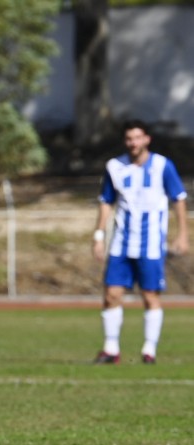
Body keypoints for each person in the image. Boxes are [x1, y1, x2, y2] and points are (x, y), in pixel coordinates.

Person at [92, 120, 188, 365]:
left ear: (147, 139)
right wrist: (99, 235)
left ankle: (149, 350)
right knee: (112, 294)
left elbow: (178, 199)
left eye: (137, 138)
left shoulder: (162, 165)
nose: (133, 143)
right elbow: (106, 202)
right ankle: (111, 349)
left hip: (152, 244)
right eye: (129, 139)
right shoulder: (114, 166)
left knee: (150, 296)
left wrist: (183, 234)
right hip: (121, 243)